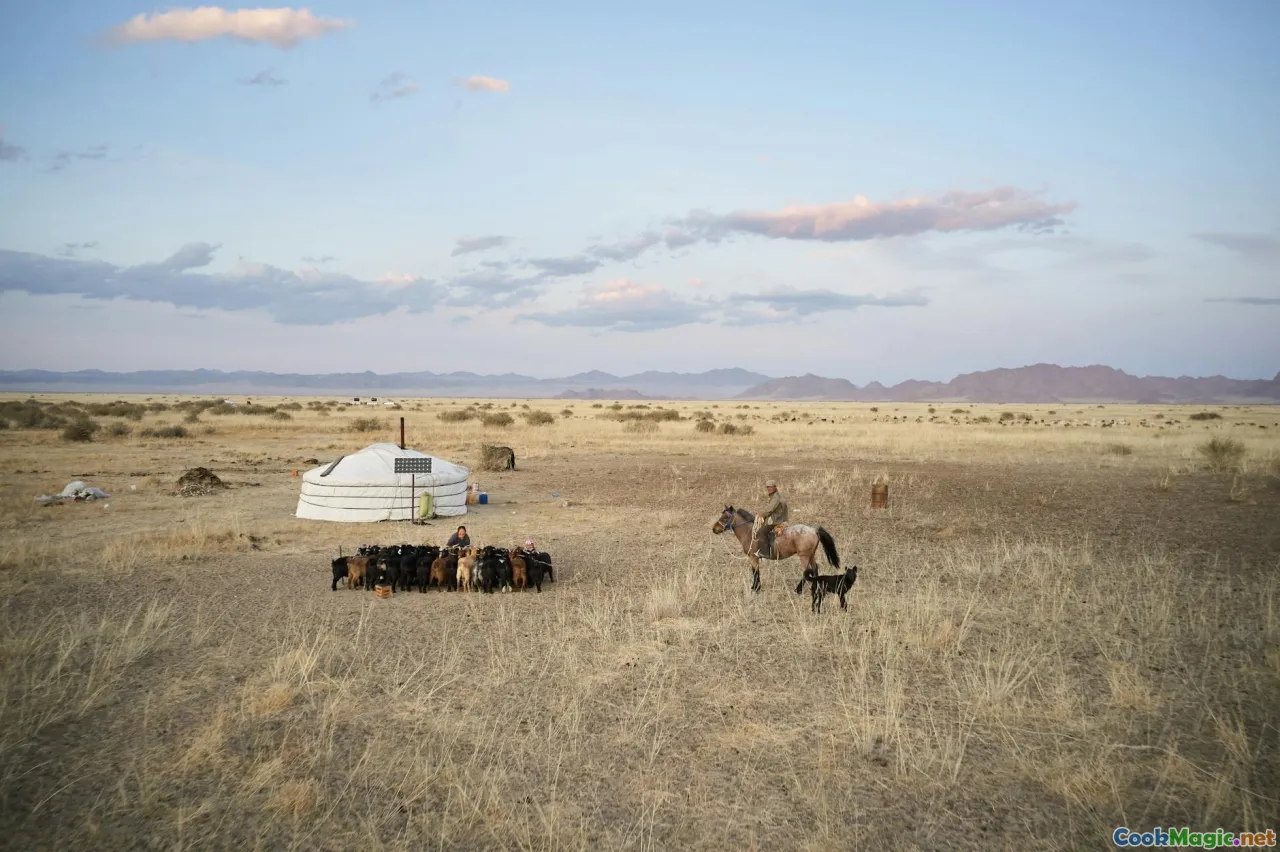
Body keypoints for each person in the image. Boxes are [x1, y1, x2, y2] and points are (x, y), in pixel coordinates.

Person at [751, 479, 788, 558]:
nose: (769, 489)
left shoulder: (775, 498)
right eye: (768, 487)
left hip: (776, 520)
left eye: (771, 487)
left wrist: (760, 515)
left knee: (761, 532)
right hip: (779, 517)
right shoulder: (777, 495)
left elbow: (769, 510)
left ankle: (765, 553)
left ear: (775, 487)